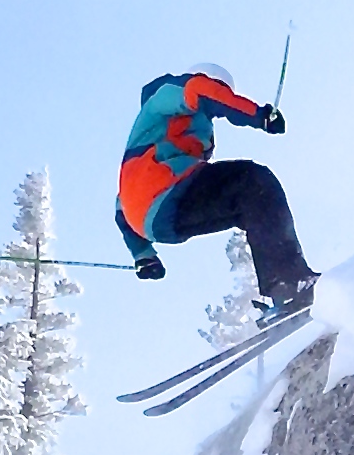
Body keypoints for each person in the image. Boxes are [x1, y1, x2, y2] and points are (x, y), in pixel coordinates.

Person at [115, 61, 319, 314]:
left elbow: (122, 207)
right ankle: (288, 283)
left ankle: (283, 291)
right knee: (253, 181)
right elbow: (202, 91)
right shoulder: (166, 96)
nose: (220, 98)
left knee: (251, 203)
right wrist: (259, 115)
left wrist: (143, 255)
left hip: (157, 218)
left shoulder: (161, 139)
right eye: (220, 89)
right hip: (167, 193)